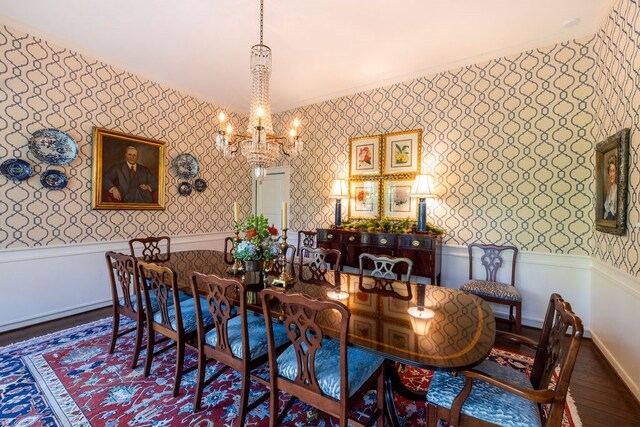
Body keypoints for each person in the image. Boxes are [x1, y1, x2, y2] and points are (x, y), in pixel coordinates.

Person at [603, 154, 617, 220]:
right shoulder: (608, 191)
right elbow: (606, 213)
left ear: (616, 173)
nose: (611, 174)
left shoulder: (618, 190)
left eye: (613, 171)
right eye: (610, 171)